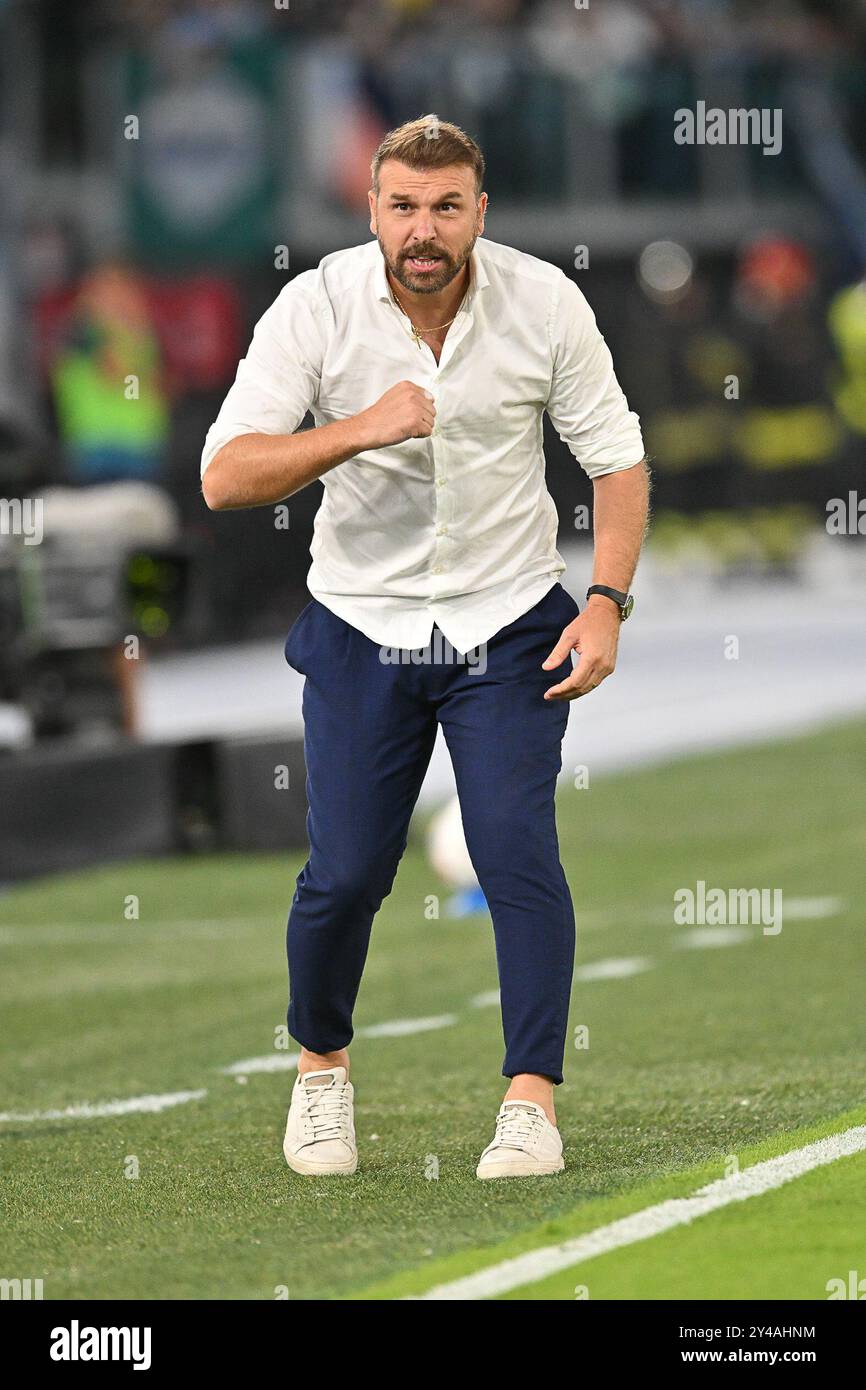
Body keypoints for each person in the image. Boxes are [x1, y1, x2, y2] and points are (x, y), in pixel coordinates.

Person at [200, 115, 649, 1179]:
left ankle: (530, 1101)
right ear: (372, 211)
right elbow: (225, 476)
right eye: (402, 205)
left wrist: (605, 602)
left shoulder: (543, 301)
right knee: (346, 872)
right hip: (361, 622)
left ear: (479, 214)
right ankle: (319, 1073)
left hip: (508, 619)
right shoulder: (313, 307)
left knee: (511, 849)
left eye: (446, 206)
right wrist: (355, 427)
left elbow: (616, 460)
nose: (423, 228)